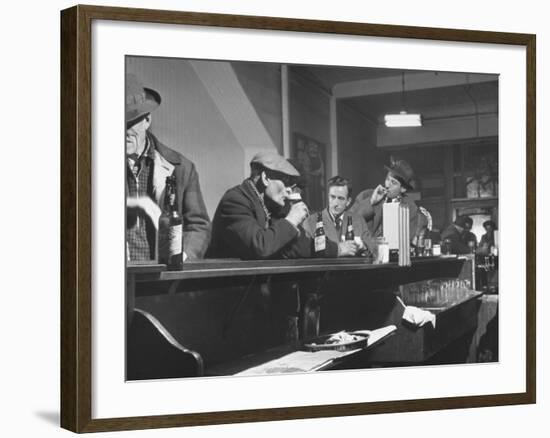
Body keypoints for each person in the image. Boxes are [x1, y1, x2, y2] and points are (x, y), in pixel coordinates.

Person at [125, 74, 211, 261]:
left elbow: (198, 226)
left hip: (162, 280)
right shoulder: (93, 168)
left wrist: (182, 256)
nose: (123, 130)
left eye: (130, 123)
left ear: (147, 120)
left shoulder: (182, 168)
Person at [207, 151, 311, 260]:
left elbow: (301, 250)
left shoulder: (271, 205)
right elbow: (260, 247)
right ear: (265, 178)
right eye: (285, 182)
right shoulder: (235, 201)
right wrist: (291, 220)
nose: (290, 190)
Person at [303, 176, 376, 257]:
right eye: (332, 197)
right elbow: (307, 254)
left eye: (340, 198)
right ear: (328, 196)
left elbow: (373, 249)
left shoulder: (358, 220)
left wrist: (362, 246)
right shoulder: (311, 222)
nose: (335, 203)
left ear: (348, 201)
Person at [350, 158, 420, 240]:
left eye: (393, 182)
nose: (387, 185)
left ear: (403, 189)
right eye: (387, 179)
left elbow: (407, 238)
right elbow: (349, 221)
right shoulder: (365, 195)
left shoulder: (410, 207)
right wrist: (371, 201)